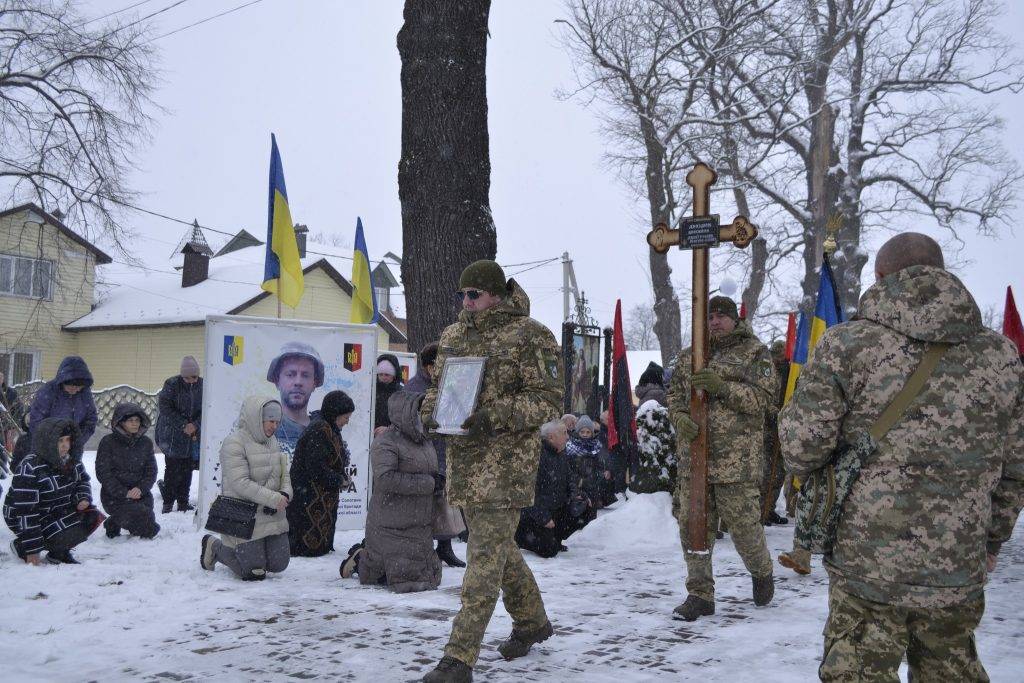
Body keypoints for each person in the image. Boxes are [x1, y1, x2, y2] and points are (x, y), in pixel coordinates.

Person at [779, 233, 1024, 681]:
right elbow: (1017, 466)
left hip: (866, 565)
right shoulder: (1001, 356)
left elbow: (801, 449)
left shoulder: (847, 345)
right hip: (957, 562)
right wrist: (990, 540)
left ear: (881, 277)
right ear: (943, 272)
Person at [420, 260, 562, 683]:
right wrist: (430, 414)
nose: (466, 302)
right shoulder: (454, 335)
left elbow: (548, 401)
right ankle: (532, 621)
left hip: (505, 467)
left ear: (496, 294)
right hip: (466, 464)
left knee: (482, 563)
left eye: (474, 294)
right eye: (462, 294)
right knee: (498, 551)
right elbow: (437, 389)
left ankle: (459, 658)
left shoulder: (531, 335)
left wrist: (492, 416)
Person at [667, 296, 778, 621]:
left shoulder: (754, 352)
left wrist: (723, 388)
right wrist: (679, 418)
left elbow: (765, 401)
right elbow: (674, 394)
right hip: (695, 462)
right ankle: (700, 594)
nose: (714, 322)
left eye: (721, 316)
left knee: (743, 529)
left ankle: (761, 570)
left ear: (735, 319)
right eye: (710, 316)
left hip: (735, 463)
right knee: (693, 528)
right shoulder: (691, 355)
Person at [342, 391, 443, 593]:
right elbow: (385, 479)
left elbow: (427, 471)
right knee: (407, 579)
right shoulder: (386, 441)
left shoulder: (425, 441)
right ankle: (363, 558)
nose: (425, 415)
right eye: (420, 411)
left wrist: (439, 480)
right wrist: (428, 484)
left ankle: (369, 558)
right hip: (391, 524)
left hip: (419, 524)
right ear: (406, 413)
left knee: (432, 576)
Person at [200, 397, 292, 581]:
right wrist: (273, 499)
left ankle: (253, 555)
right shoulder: (234, 443)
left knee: (279, 564)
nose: (274, 426)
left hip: (270, 514)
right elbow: (240, 483)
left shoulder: (272, 441)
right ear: (257, 418)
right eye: (270, 421)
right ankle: (215, 547)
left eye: (277, 422)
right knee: (253, 573)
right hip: (245, 517)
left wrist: (285, 493)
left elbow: (283, 473)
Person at [4, 418, 101, 564]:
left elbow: (82, 481)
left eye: (67, 440)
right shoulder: (30, 467)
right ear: (48, 441)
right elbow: (26, 511)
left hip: (55, 508)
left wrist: (83, 497)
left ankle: (59, 552)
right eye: (59, 441)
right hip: (22, 515)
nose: (64, 446)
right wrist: (32, 550)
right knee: (54, 530)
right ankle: (23, 547)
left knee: (89, 517)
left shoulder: (72, 461)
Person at [405, 342, 465, 568]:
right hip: (422, 453)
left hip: (443, 451)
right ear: (430, 367)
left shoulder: (447, 385)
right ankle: (424, 550)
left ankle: (445, 548)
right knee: (424, 505)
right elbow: (409, 422)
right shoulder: (414, 388)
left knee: (445, 504)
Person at [288, 390, 354, 557]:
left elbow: (334, 462)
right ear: (335, 414)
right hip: (308, 501)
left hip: (319, 502)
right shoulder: (319, 430)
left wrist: (342, 476)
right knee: (309, 549)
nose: (347, 422)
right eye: (346, 417)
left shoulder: (329, 428)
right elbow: (316, 469)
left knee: (318, 548)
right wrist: (339, 480)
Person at [516, 420, 591, 558]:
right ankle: (521, 539)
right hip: (535, 512)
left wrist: (576, 496)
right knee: (549, 551)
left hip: (556, 506)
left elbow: (570, 480)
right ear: (551, 437)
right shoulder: (537, 456)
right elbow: (528, 492)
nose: (568, 437)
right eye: (564, 433)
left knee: (586, 507)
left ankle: (556, 537)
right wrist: (543, 518)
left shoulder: (561, 452)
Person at [95, 403, 159, 539]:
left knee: (145, 522)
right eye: (130, 420)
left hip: (141, 494)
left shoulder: (146, 443)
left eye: (137, 420)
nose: (135, 424)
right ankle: (114, 521)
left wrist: (140, 489)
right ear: (120, 422)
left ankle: (114, 521)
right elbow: (103, 472)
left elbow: (151, 471)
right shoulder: (108, 442)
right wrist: (124, 492)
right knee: (147, 527)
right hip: (114, 496)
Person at [156, 356, 203, 513]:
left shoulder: (203, 385)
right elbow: (165, 408)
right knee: (172, 470)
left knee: (187, 470)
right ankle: (168, 503)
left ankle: (183, 502)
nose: (191, 381)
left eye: (194, 377)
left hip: (192, 437)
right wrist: (183, 424)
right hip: (173, 436)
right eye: (187, 378)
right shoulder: (171, 384)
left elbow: (208, 408)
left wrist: (195, 425)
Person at [266, 342, 325, 457]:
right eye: (290, 374)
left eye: (305, 375)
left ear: (314, 383)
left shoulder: (324, 433)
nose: (298, 382)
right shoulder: (261, 430)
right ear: (277, 381)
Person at [29, 356, 97, 453]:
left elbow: (91, 419)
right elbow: (36, 422)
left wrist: (76, 441)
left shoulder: (84, 394)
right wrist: (54, 443)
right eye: (70, 385)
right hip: (46, 449)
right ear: (63, 381)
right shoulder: (48, 391)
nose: (74, 389)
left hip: (71, 450)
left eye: (78, 386)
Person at [761, 341, 789, 526]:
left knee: (779, 473)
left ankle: (769, 509)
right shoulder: (767, 373)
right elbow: (763, 398)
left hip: (784, 430)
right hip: (767, 430)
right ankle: (760, 511)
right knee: (765, 473)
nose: (780, 359)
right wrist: (776, 413)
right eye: (778, 355)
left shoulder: (790, 372)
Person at [567, 416, 615, 509]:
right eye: (582, 432)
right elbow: (568, 469)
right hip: (577, 485)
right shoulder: (570, 447)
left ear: (592, 433)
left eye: (588, 432)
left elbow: (603, 462)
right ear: (577, 432)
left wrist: (605, 471)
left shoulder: (597, 446)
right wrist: (579, 481)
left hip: (593, 484)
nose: (585, 435)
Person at [374, 353, 404, 436]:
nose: (383, 377)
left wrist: (389, 429)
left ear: (394, 375)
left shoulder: (401, 393)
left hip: (393, 439)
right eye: (380, 374)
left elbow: (404, 420)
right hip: (371, 437)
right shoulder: (371, 391)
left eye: (387, 374)